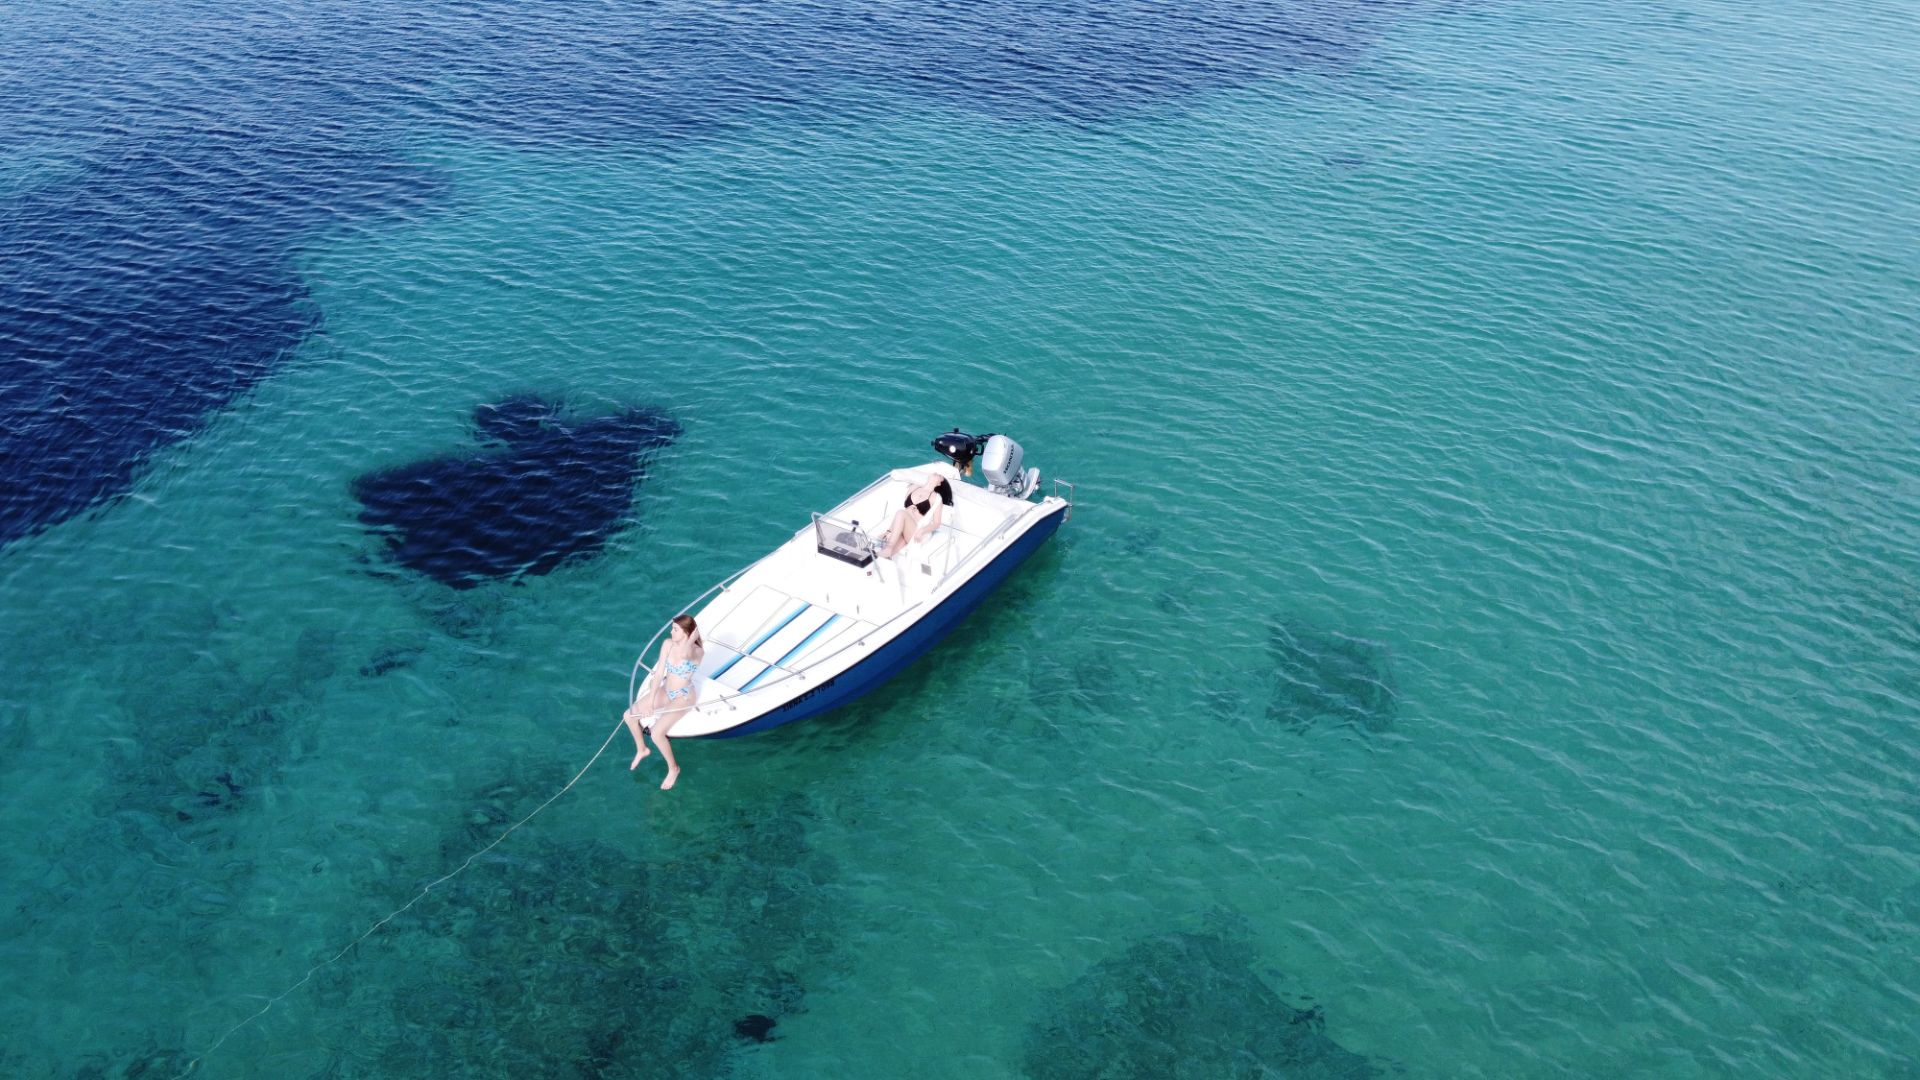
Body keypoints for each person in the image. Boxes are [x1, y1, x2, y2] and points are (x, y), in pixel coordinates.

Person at [623, 614, 703, 789]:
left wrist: (691, 640)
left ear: (687, 633)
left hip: (683, 696)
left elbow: (684, 654)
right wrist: (651, 702)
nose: (671, 632)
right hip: (666, 691)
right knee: (629, 715)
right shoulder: (668, 644)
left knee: (657, 732)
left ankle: (674, 768)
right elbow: (659, 673)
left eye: (675, 629)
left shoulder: (696, 651)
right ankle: (642, 749)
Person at [876, 471, 954, 558]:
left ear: (939, 483)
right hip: (905, 528)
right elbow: (905, 510)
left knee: (900, 513)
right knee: (891, 552)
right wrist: (889, 531)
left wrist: (922, 531)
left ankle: (888, 549)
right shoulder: (914, 487)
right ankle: (882, 557)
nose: (937, 473)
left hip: (917, 530)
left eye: (939, 475)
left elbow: (937, 523)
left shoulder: (936, 498)